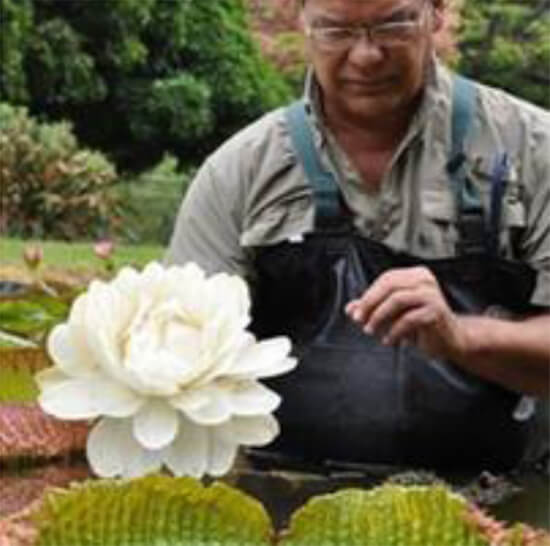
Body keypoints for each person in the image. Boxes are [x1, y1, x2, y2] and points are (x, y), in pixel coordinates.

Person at [165, 0, 549, 471]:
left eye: (393, 23)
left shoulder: (533, 151)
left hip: (500, 509)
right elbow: (176, 353)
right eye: (335, 30)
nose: (366, 55)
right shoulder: (239, 172)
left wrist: (461, 337)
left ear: (437, 13)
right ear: (302, 20)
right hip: (286, 505)